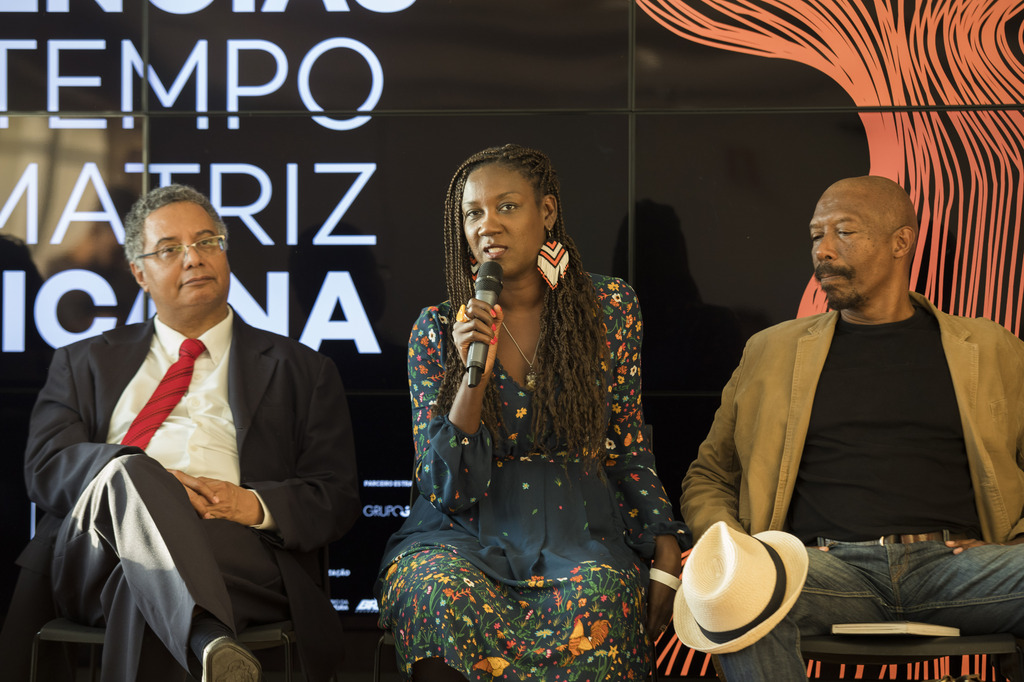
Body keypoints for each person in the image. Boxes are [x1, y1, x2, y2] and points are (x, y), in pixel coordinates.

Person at [676, 175, 1024, 679]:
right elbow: (710, 475)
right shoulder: (770, 352)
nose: (823, 250)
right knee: (739, 599)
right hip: (822, 568)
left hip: (959, 570)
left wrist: (1015, 545)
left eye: (844, 232)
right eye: (816, 235)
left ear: (901, 242)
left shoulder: (994, 349)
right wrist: (736, 551)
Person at [11, 184, 360, 682]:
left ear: (225, 253)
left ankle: (204, 635)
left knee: (139, 583)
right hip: (96, 553)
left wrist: (251, 504)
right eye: (170, 249)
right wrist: (146, 486)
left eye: (206, 242)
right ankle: (203, 635)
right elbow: (46, 468)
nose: (194, 258)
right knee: (129, 471)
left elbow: (335, 495)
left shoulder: (302, 370)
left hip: (235, 549)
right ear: (139, 273)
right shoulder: (83, 361)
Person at [375, 144, 690, 681]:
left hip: (579, 532)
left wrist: (663, 540)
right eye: (473, 213)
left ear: (546, 212)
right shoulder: (437, 329)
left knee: (602, 594)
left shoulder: (609, 309)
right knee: (432, 590)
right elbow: (445, 487)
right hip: (464, 535)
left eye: (507, 206)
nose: (488, 224)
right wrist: (472, 374)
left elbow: (627, 444)